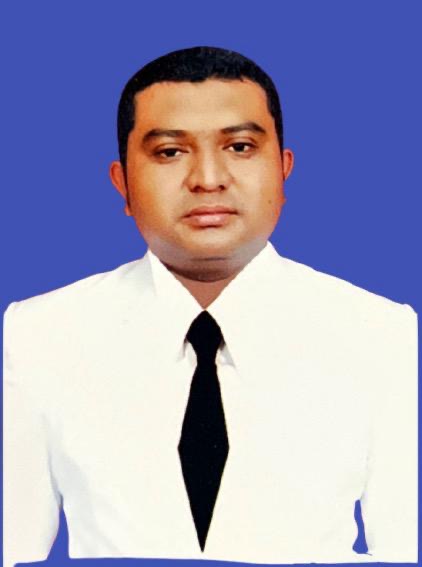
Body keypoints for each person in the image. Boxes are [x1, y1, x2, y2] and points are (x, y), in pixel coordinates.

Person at [3, 46, 417, 566]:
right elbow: (11, 549)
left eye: (240, 147)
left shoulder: (382, 335)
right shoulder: (38, 335)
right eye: (169, 152)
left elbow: (406, 551)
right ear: (122, 182)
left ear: (283, 169)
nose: (207, 178)